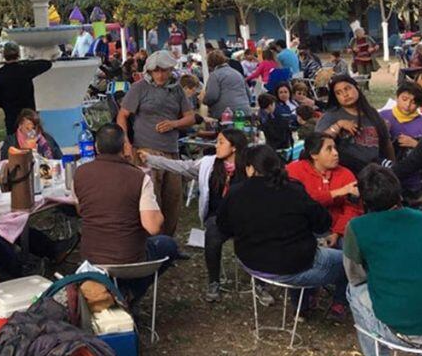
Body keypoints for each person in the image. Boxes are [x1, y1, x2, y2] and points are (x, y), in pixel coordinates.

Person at [344, 165, 422, 356]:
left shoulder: (357, 227)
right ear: (398, 191)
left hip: (404, 331)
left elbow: (355, 276)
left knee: (354, 290)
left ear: (363, 198)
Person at [217, 145, 348, 320]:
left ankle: (306, 303)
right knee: (352, 261)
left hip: (250, 262)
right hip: (291, 267)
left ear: (250, 169)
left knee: (312, 254)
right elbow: (323, 223)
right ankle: (340, 303)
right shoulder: (293, 190)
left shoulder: (235, 192)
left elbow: (223, 226)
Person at [140, 129, 263, 303]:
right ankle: (214, 281)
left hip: (246, 218)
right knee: (212, 234)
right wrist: (151, 159)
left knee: (258, 237)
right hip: (218, 217)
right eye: (217, 141)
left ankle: (260, 282)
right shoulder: (209, 164)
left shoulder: (249, 167)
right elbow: (181, 166)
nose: (216, 146)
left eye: (221, 142)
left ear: (234, 147)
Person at [73, 123, 180, 303]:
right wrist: (160, 215)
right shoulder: (138, 177)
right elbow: (152, 227)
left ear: (96, 147)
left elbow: (80, 210)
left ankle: (114, 292)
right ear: (124, 147)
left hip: (91, 258)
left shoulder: (80, 173)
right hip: (129, 259)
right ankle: (129, 293)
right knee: (167, 244)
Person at [117, 50, 196, 236]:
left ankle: (168, 244)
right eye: (156, 71)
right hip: (145, 150)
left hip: (171, 151)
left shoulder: (176, 90)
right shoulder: (139, 88)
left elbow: (191, 117)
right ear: (150, 71)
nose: (160, 75)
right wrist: (126, 142)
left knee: (172, 200)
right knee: (151, 200)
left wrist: (174, 124)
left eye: (164, 70)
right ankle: (149, 242)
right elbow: (122, 115)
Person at [287, 133, 363, 248]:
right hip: (304, 231)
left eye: (335, 148)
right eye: (329, 149)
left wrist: (337, 233)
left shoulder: (346, 174)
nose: (336, 153)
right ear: (314, 154)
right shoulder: (294, 171)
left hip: (337, 230)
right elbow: (299, 203)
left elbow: (353, 208)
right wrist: (336, 193)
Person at [316, 75, 395, 174]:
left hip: (374, 171)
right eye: (338, 93)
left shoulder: (372, 113)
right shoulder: (331, 116)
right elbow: (317, 142)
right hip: (344, 172)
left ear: (357, 87)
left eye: (347, 89)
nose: (345, 95)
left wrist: (393, 168)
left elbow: (386, 142)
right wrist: (338, 125)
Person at [378, 83, 422, 199]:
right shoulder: (382, 117)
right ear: (397, 97)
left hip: (414, 181)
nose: (407, 105)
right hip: (386, 177)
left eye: (413, 102)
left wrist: (415, 144)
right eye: (404, 99)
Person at [0, 42, 53, 135]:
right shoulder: (25, 69)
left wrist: (6, 105)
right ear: (18, 54)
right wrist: (27, 62)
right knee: (30, 141)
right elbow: (47, 64)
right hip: (28, 113)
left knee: (14, 141)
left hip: (11, 114)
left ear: (4, 55)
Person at [202, 50, 251, 118]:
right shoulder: (237, 73)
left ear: (210, 64)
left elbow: (212, 96)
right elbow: (249, 94)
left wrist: (203, 99)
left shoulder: (215, 75)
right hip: (244, 111)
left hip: (225, 114)